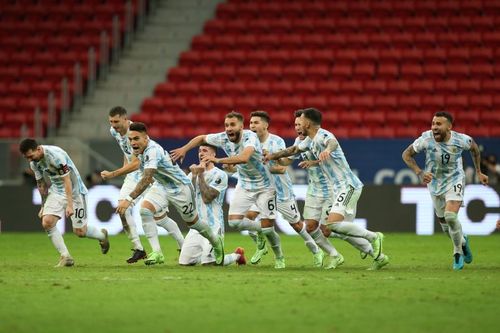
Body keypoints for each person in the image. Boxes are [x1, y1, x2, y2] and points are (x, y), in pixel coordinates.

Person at [265, 108, 388, 270]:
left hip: (347, 185)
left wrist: (328, 150)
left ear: (307, 123)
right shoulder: (308, 140)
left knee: (333, 226)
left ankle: (373, 237)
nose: (297, 125)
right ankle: (367, 255)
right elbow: (293, 150)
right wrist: (271, 156)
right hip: (334, 188)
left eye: (300, 121)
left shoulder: (323, 135)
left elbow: (332, 142)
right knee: (326, 226)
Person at [171, 111, 285, 269]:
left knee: (268, 227)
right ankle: (258, 232)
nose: (228, 128)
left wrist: (217, 160)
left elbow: (244, 157)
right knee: (235, 221)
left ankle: (279, 256)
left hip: (265, 185)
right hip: (245, 184)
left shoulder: (249, 137)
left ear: (241, 126)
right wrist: (184, 149)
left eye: (232, 125)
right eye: (226, 125)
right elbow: (201, 138)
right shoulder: (222, 138)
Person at [113, 122, 224, 265]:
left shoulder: (152, 150)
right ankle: (157, 252)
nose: (132, 142)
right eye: (130, 139)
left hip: (180, 187)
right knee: (145, 210)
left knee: (194, 223)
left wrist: (128, 199)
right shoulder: (139, 150)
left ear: (145, 139)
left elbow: (147, 178)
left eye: (136, 139)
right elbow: (142, 172)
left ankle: (215, 242)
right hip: (162, 185)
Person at [402, 111, 488, 270]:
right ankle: (462, 241)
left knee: (450, 216)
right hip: (434, 183)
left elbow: (474, 149)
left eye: (438, 124)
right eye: (433, 124)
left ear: (449, 127)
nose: (434, 127)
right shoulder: (426, 139)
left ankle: (457, 253)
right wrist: (419, 172)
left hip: (455, 180)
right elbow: (406, 154)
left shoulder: (460, 140)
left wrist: (478, 171)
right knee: (446, 226)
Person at [101, 106, 184, 264]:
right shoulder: (114, 132)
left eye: (116, 122)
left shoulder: (136, 134)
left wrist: (114, 173)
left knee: (160, 218)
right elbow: (127, 154)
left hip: (147, 174)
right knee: (122, 210)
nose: (114, 126)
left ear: (126, 120)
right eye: (111, 122)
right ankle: (139, 249)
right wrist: (125, 170)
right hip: (132, 175)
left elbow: (138, 162)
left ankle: (183, 244)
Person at [247, 111, 324, 267]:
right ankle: (275, 255)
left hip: (281, 190)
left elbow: (282, 168)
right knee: (248, 218)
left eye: (256, 122)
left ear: (265, 125)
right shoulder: (248, 142)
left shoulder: (276, 142)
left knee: (296, 224)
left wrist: (270, 159)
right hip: (261, 190)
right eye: (251, 123)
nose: (252, 126)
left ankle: (316, 250)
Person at [19, 138, 110, 267]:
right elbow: (41, 184)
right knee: (47, 222)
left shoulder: (56, 156)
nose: (30, 160)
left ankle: (102, 236)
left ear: (38, 149)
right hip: (56, 190)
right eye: (27, 158)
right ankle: (65, 256)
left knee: (80, 232)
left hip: (76, 192)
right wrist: (43, 205)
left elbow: (68, 181)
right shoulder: (34, 163)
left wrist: (70, 205)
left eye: (31, 156)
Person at [179, 144, 246, 266]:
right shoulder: (191, 174)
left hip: (213, 226)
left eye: (205, 151)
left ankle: (237, 256)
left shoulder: (220, 174)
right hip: (197, 227)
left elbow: (207, 198)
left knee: (210, 264)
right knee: (185, 263)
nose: (201, 153)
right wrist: (194, 176)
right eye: (199, 151)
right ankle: (206, 255)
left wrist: (200, 175)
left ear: (213, 155)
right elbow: (188, 196)